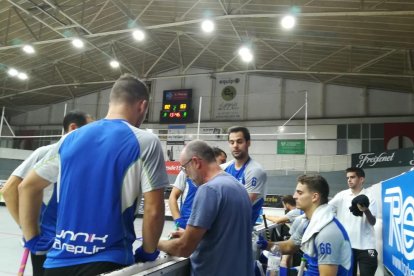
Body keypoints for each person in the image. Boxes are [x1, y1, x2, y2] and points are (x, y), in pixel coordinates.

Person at [18, 74, 169, 276]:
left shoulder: (70, 139)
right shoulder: (145, 141)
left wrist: (33, 239)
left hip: (57, 263)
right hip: (109, 262)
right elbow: (153, 210)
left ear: (111, 102)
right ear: (142, 106)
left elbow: (26, 187)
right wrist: (148, 252)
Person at [1, 110, 92, 276]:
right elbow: (9, 190)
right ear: (73, 128)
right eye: (90, 127)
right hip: (48, 242)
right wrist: (30, 234)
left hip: (74, 242)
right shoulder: (47, 152)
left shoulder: (85, 157)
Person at [159, 140, 253, 276]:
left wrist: (154, 244)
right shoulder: (238, 187)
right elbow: (225, 235)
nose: (186, 174)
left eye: (185, 168)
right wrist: (189, 235)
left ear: (196, 162)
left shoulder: (209, 190)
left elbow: (184, 248)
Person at [258, 175, 353, 276]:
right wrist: (265, 245)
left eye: (300, 193)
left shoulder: (327, 232)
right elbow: (289, 246)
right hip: (307, 272)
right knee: (258, 268)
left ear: (314, 197)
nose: (294, 196)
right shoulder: (306, 222)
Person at [329, 167, 378, 276]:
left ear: (361, 179)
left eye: (352, 177)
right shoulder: (342, 195)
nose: (349, 180)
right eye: (348, 178)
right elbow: (327, 209)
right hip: (347, 246)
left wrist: (366, 210)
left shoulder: (370, 196)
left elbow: (373, 221)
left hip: (366, 246)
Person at [168, 146, 227, 229]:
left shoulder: (222, 179)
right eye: (222, 161)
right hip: (186, 223)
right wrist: (178, 220)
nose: (225, 164)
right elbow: (172, 197)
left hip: (206, 226)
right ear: (212, 160)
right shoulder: (185, 173)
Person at [222, 126, 267, 225]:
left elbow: (242, 205)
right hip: (224, 226)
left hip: (241, 230)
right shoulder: (224, 168)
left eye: (239, 141)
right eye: (232, 142)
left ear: (248, 143)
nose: (235, 146)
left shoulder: (255, 170)